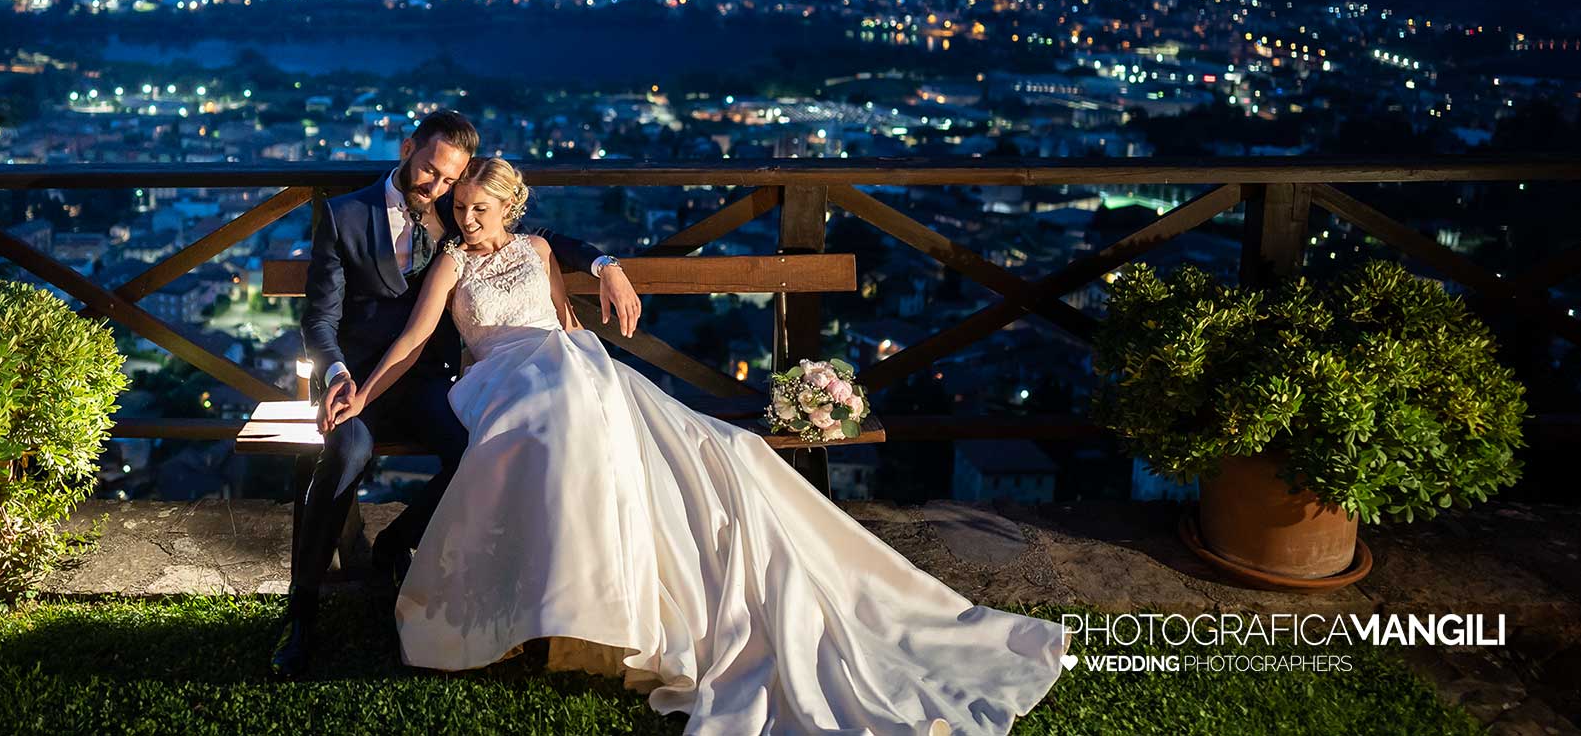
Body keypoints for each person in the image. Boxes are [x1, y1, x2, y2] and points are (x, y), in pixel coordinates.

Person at [332, 157, 1070, 736]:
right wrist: (362, 392)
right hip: (497, 379)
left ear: (511, 207)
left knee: (691, 439)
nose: (467, 221)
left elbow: (564, 322)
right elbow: (416, 338)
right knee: (554, 412)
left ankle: (604, 609)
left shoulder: (538, 247)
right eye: (461, 210)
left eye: (480, 210)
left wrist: (600, 296)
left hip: (566, 367)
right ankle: (554, 611)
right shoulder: (454, 264)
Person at [269, 111, 641, 678]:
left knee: (482, 450)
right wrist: (341, 373)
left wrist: (604, 262)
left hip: (430, 384)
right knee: (344, 455)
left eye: (451, 182)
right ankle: (302, 614)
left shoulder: (457, 209)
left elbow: (535, 241)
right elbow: (318, 320)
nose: (439, 191)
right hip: (361, 381)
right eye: (431, 174)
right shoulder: (345, 215)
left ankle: (398, 544)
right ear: (407, 148)